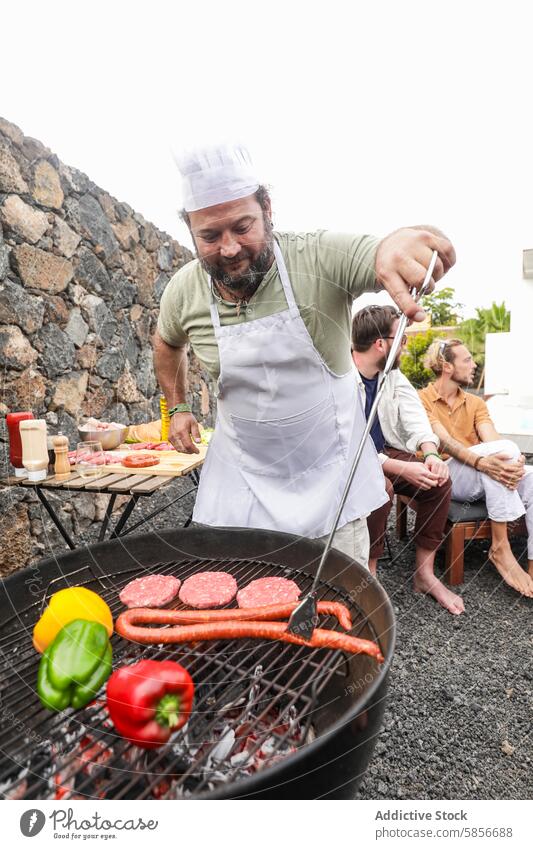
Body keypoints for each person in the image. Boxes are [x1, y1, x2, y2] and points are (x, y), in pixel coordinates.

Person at [153, 141, 456, 568]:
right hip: (243, 487)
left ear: (267, 209)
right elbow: (167, 342)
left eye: (243, 227)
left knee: (336, 613)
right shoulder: (185, 290)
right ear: (191, 231)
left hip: (328, 484)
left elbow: (380, 250)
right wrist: (179, 405)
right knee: (248, 614)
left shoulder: (316, 256)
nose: (229, 248)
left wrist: (406, 247)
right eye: (209, 235)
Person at [351, 306, 460, 613]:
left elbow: (414, 416)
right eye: (400, 338)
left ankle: (424, 574)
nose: (405, 345)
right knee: (380, 488)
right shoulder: (340, 377)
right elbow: (350, 445)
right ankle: (369, 573)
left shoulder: (391, 374)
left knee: (438, 481)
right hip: (348, 463)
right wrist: (399, 467)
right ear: (379, 344)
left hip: (383, 453)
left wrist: (430, 453)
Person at [419, 339, 533, 597]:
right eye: (467, 360)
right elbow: (444, 443)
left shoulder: (475, 403)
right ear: (447, 366)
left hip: (481, 471)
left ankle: (532, 564)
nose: (475, 364)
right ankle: (500, 547)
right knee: (497, 462)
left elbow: (492, 439)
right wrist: (494, 459)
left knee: (527, 474)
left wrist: (514, 465)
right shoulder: (422, 400)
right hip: (446, 472)